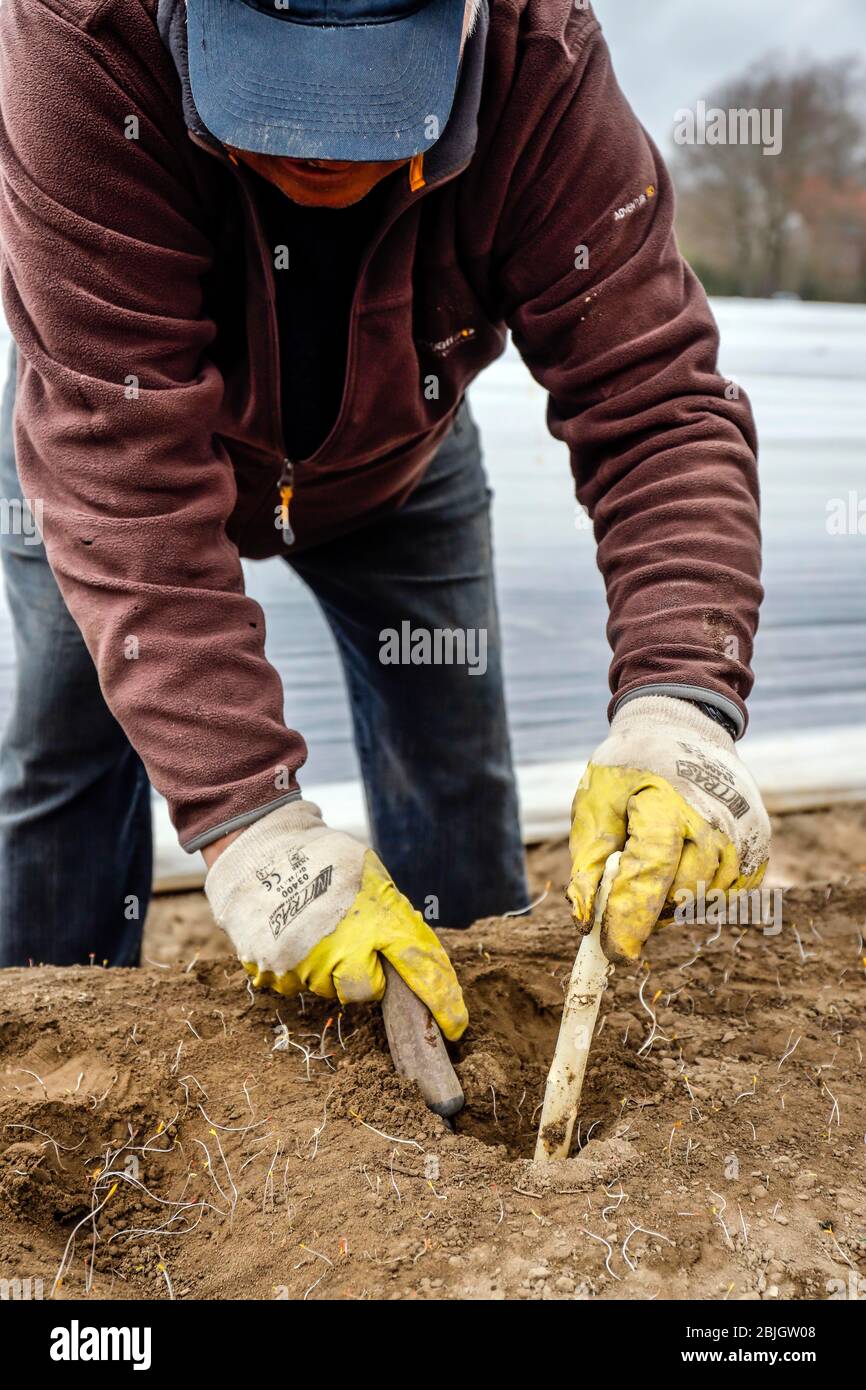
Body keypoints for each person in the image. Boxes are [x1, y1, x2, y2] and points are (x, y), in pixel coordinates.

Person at [0, 0, 769, 1037]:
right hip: (116, 435)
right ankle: (53, 1063)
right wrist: (253, 830)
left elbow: (656, 404)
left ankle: (471, 1056)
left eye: (370, 94)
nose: (317, 148)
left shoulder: (534, 61)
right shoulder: (80, 39)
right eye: (277, 94)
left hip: (398, 464)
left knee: (449, 764)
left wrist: (681, 697)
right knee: (64, 748)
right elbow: (119, 470)